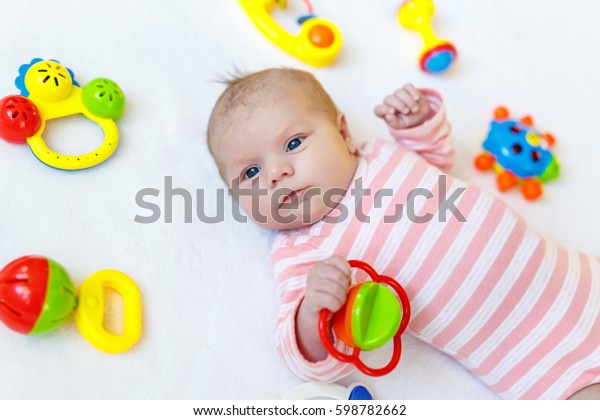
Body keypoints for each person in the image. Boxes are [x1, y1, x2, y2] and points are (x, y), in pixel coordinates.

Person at [207, 68, 600, 400]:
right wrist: (313, 310)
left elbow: (437, 161)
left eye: (293, 144)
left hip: (578, 279)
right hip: (533, 356)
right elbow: (303, 358)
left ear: (343, 133)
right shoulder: (302, 249)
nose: (276, 173)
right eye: (251, 173)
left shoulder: (380, 154)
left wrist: (416, 122)